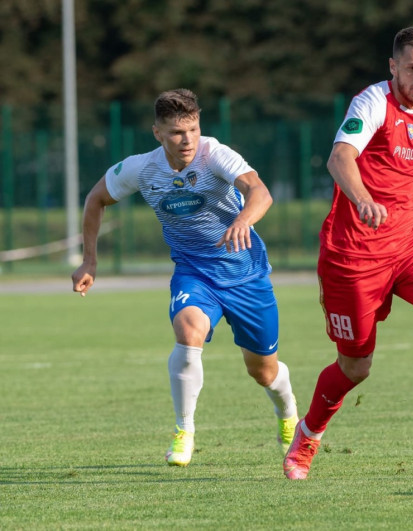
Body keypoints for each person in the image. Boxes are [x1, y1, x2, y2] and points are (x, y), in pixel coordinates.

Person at [283, 27, 413, 480]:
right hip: (352, 256)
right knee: (355, 366)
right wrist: (362, 199)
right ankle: (307, 434)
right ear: (393, 66)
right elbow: (340, 158)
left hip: (408, 247)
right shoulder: (372, 103)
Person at [72, 88, 299, 466]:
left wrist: (243, 219)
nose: (187, 139)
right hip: (194, 273)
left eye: (193, 129)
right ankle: (184, 431)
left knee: (263, 371)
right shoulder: (141, 168)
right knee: (188, 332)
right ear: (157, 133)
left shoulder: (216, 154)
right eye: (177, 132)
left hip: (245, 276)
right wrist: (89, 261)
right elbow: (96, 198)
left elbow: (259, 192)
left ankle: (288, 413)